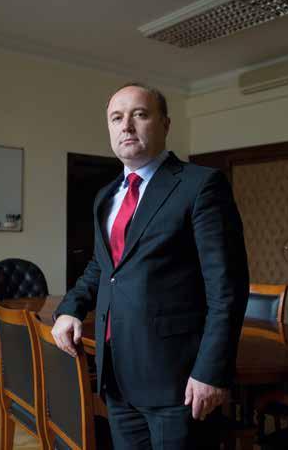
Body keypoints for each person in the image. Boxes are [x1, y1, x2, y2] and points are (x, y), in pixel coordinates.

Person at [51, 82, 249, 450]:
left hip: (179, 382)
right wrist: (70, 308)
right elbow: (102, 265)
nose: (126, 126)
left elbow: (227, 288)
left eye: (139, 114)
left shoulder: (201, 185)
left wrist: (211, 371)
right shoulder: (106, 196)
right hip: (116, 375)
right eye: (116, 118)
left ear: (165, 124)